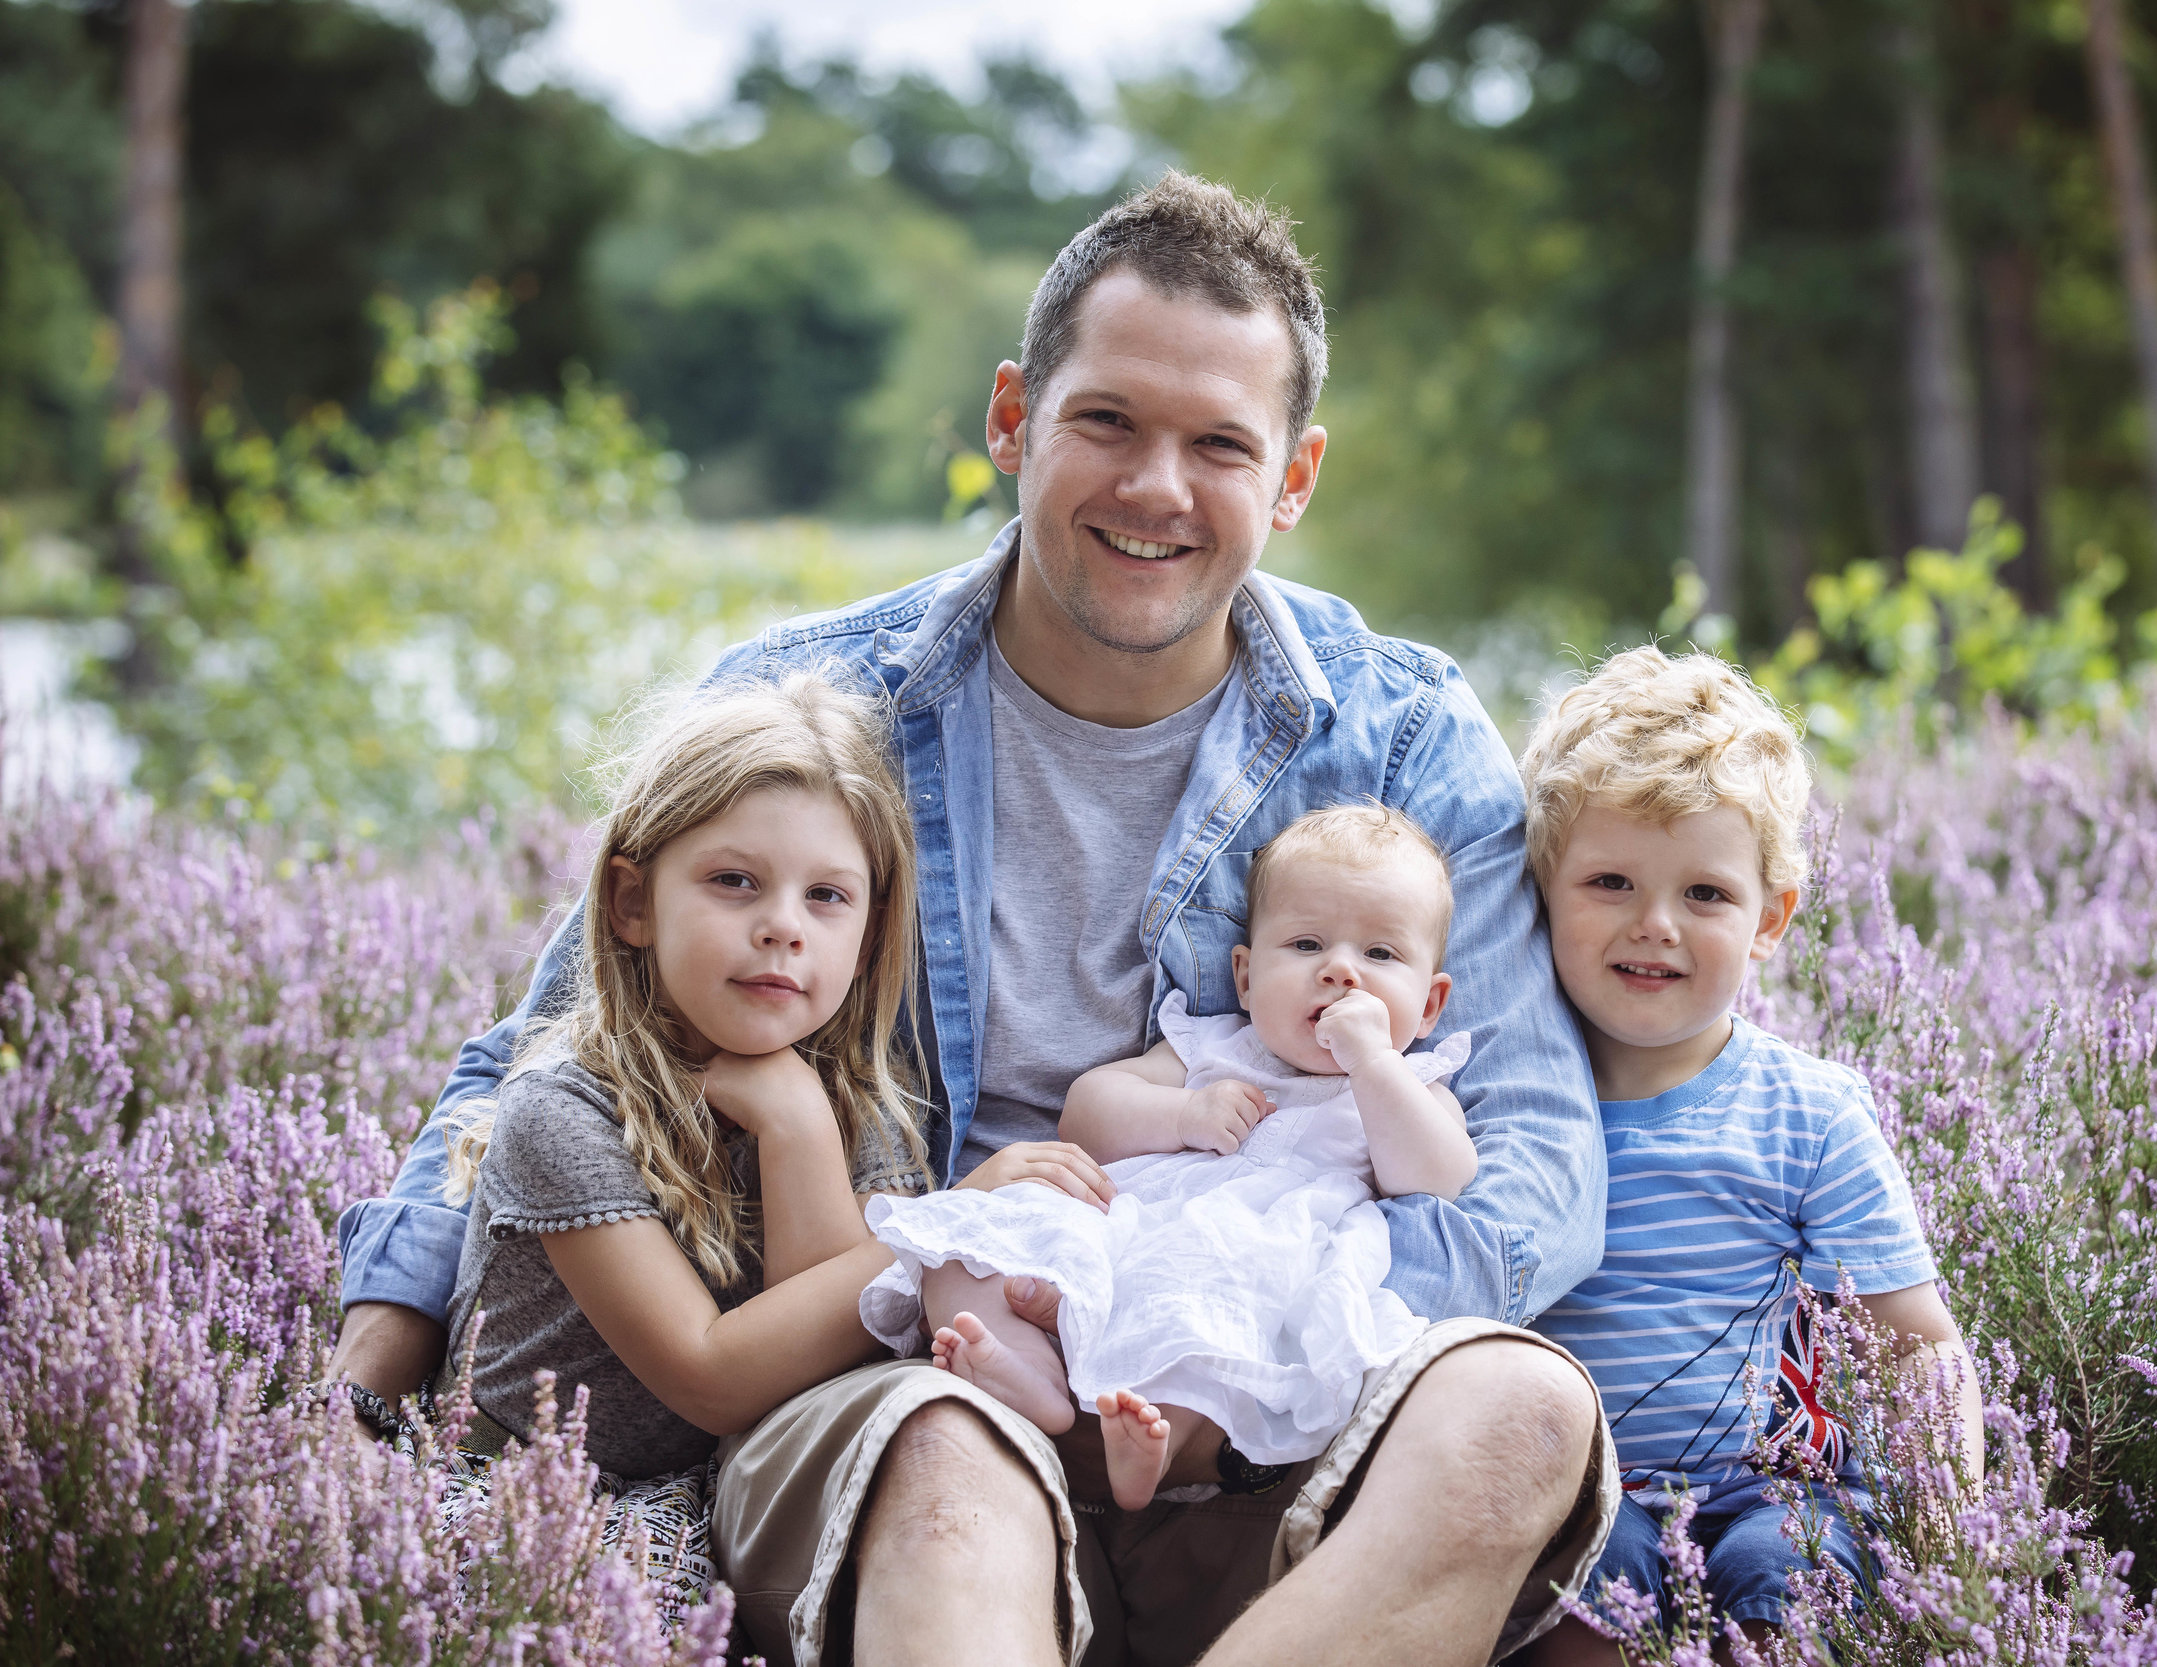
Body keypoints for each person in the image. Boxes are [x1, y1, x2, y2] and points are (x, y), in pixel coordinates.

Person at [325, 171, 1615, 1667]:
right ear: (1013, 417)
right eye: (1106, 421)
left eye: (1219, 444)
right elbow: (545, 1057)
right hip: (909, 1365)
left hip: (1260, 1390)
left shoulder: (1401, 735)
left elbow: (1538, 1162)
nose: (1157, 487)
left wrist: (1232, 1339)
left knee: (1525, 1412)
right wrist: (358, 1393)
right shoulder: (818, 703)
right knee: (951, 1453)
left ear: (1295, 475)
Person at [423, 674, 933, 1621]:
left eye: (828, 895)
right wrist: (949, 1232)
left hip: (715, 1502)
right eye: (734, 881)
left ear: (867, 941)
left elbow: (827, 1368)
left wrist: (795, 1126)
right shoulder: (563, 1110)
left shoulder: (856, 1104)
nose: (783, 925)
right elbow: (712, 1374)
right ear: (633, 902)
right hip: (528, 1507)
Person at [1514, 648, 1982, 1660]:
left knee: (1785, 1588)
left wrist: (1952, 1531)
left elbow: (1916, 1343)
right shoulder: (1507, 1099)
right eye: (1609, 881)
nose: (1655, 924)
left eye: (1705, 894)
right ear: (1538, 890)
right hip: (1582, 1491)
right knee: (1578, 1604)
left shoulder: (1808, 1113)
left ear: (1769, 918)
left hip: (1779, 1485)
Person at [859, 804, 1477, 1510]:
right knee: (960, 1245)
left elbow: (1437, 1178)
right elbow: (1088, 1111)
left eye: (1380, 955)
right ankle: (1025, 1373)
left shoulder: (1415, 1087)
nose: (1341, 971)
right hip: (1121, 1223)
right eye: (1307, 944)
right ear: (1246, 977)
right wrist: (1182, 1114)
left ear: (1429, 1005)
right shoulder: (1211, 1047)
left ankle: (1154, 1441)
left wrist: (1373, 1061)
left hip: (1246, 1257)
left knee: (1213, 1330)